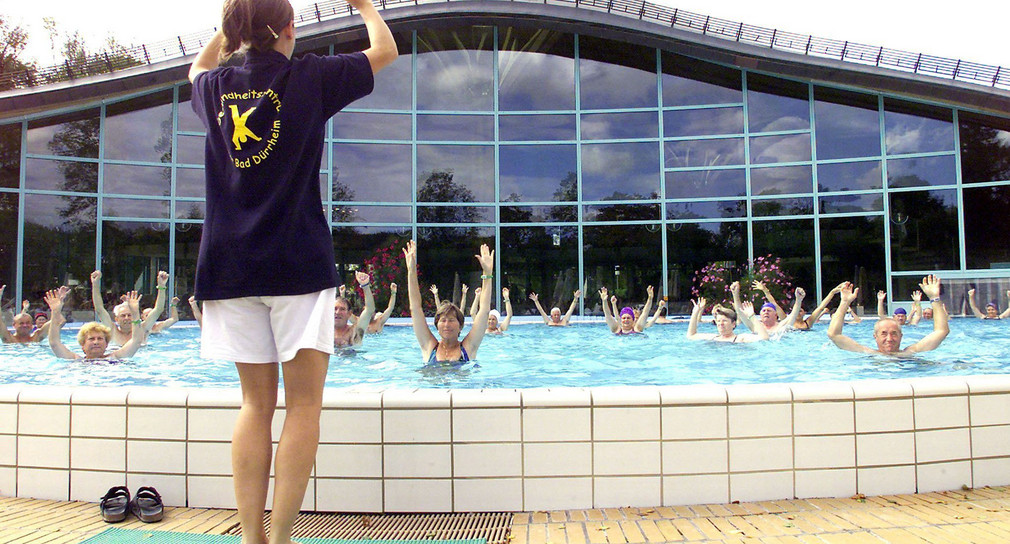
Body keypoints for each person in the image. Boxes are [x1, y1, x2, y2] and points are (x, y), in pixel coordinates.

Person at [187, 1, 396, 543]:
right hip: (296, 264)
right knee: (303, 406)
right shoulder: (309, 76)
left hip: (229, 265)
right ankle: (280, 540)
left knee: (255, 405)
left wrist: (227, 30)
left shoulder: (215, 88)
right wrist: (364, 6)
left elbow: (194, 70)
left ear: (238, 33)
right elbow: (385, 50)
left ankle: (250, 539)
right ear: (288, 30)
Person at [403, 240, 494, 363]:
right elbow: (415, 308)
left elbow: (484, 310)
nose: (446, 325)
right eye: (443, 320)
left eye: (451, 320)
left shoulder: (468, 347)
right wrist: (411, 271)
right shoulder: (429, 346)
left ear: (460, 326)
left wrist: (487, 274)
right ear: (437, 325)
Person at [827, 277, 949, 356]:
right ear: (875, 337)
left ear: (901, 336)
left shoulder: (910, 353)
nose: (889, 339)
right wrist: (844, 303)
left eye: (894, 333)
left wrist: (934, 298)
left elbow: (941, 331)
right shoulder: (867, 353)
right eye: (884, 333)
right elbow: (834, 334)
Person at [46, 288, 145, 360]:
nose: (96, 342)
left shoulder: (115, 357)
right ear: (82, 345)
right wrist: (55, 312)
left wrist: (135, 313)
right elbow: (54, 343)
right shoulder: (76, 360)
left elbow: (136, 341)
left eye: (100, 338)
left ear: (106, 344)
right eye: (91, 339)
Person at [91, 269, 169, 346]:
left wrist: (161, 287)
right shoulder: (112, 331)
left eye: (129, 315)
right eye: (123, 315)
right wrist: (95, 285)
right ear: (116, 319)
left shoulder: (142, 329)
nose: (126, 318)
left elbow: (158, 309)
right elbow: (99, 310)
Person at [732, 281, 805, 335]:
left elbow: (793, 315)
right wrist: (735, 294)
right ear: (760, 315)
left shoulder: (781, 326)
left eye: (769, 311)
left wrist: (798, 300)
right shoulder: (755, 326)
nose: (766, 312)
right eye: (763, 311)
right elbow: (740, 313)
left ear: (776, 315)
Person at [686, 296, 768, 342]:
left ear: (733, 324)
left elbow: (764, 337)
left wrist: (752, 316)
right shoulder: (713, 338)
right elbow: (691, 335)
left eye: (724, 321)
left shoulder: (740, 338)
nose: (720, 323)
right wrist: (695, 312)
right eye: (718, 321)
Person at [334, 271, 374, 348]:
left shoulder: (354, 331)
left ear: (349, 314)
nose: (337, 312)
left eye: (342, 309)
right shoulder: (324, 332)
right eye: (335, 309)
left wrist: (365, 286)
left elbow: (369, 310)